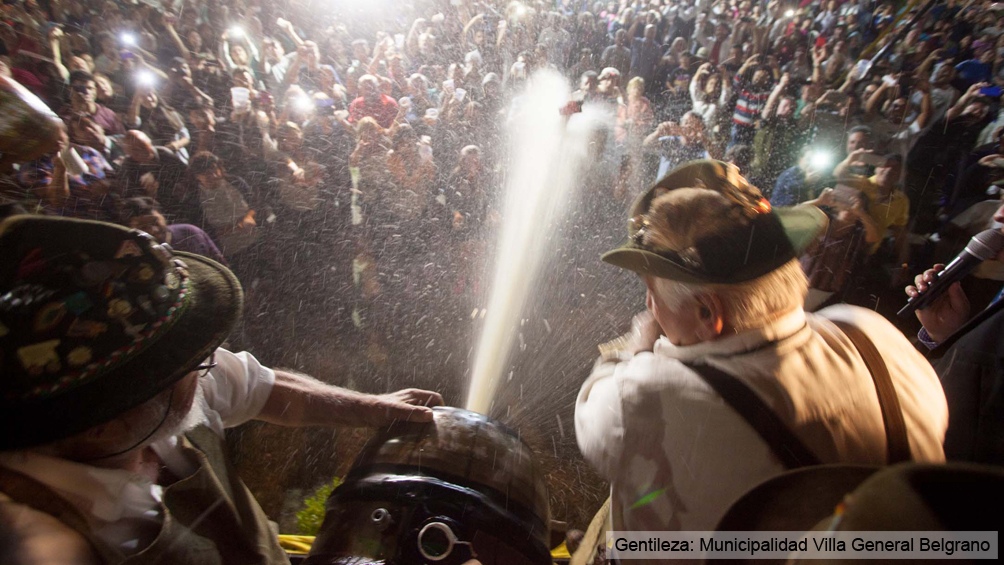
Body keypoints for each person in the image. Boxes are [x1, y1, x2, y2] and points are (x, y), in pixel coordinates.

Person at [0, 215, 443, 563]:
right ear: (104, 418)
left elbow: (268, 388)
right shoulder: (40, 538)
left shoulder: (157, 401)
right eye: (191, 363)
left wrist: (374, 408)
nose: (208, 368)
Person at [576, 160, 947, 534]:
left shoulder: (642, 393)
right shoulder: (870, 331)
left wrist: (638, 351)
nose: (649, 306)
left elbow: (595, 411)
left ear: (708, 312)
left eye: (651, 290)